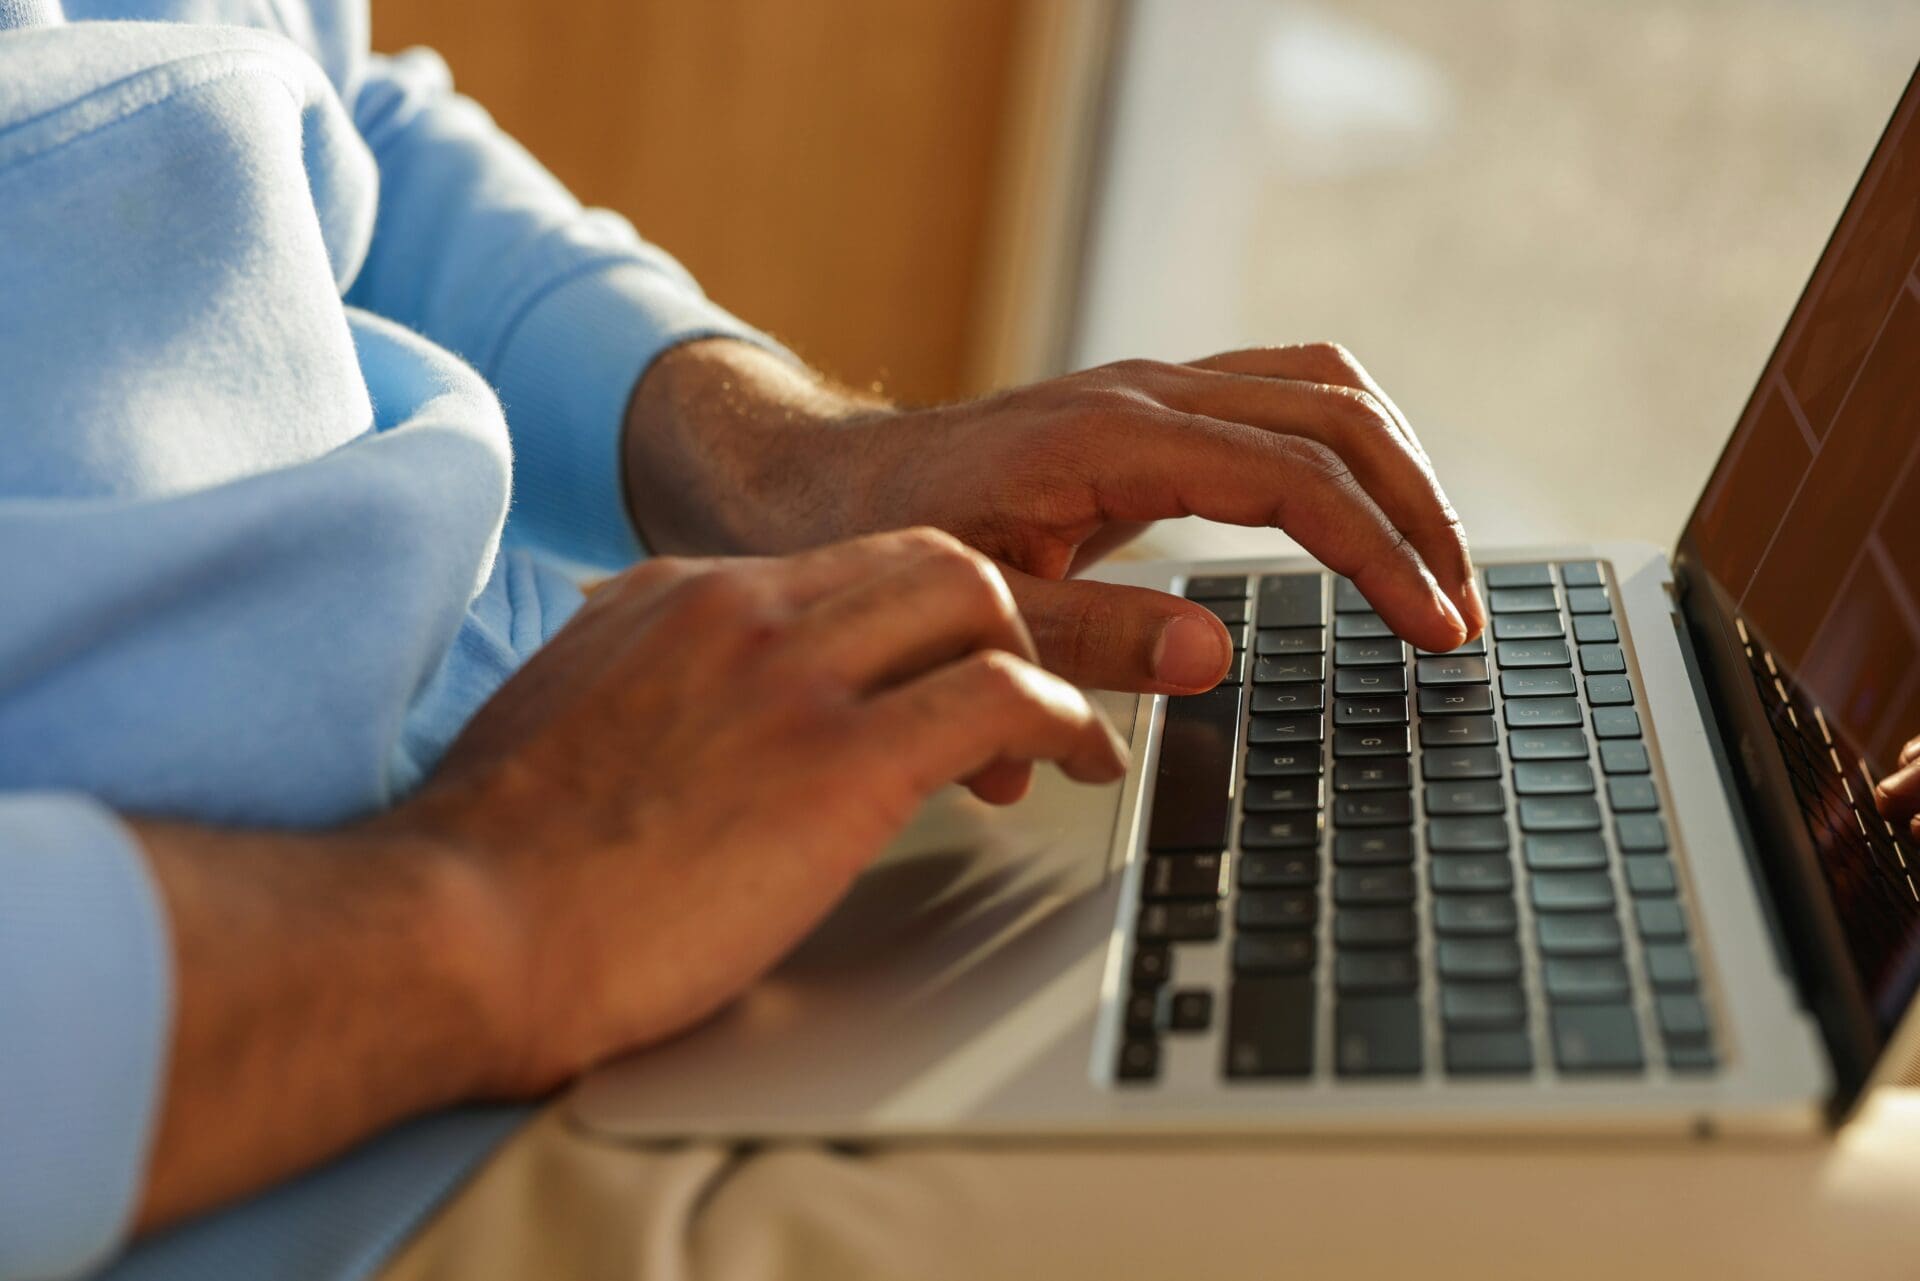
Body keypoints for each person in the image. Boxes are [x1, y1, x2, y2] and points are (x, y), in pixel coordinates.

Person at [0, 1, 1488, 1277]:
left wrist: (788, 460)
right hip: (285, 1126)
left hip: (570, 823)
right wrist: (479, 909)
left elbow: (306, 109)